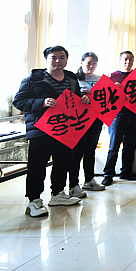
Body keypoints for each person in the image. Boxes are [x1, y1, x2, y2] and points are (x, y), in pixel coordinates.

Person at [14, 46, 87, 217]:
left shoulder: (71, 78)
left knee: (63, 162)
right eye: (53, 58)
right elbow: (19, 101)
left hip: (65, 129)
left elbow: (74, 99)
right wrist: (41, 102)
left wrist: (83, 99)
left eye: (62, 57)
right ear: (46, 60)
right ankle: (34, 201)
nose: (58, 61)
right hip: (41, 129)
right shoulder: (33, 79)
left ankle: (58, 194)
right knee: (37, 166)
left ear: (66, 60)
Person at [102, 51, 136, 187]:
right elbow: (104, 96)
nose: (128, 62)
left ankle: (126, 172)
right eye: (125, 59)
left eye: (131, 59)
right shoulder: (112, 76)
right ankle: (108, 175)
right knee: (114, 147)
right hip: (117, 116)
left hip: (134, 115)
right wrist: (114, 89)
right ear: (119, 61)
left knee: (130, 146)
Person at [69, 52, 104, 195]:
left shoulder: (101, 79)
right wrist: (80, 97)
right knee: (77, 152)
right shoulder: (73, 78)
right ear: (82, 63)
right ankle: (73, 184)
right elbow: (68, 98)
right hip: (79, 120)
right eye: (88, 63)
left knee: (90, 150)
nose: (91, 66)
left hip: (96, 119)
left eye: (94, 63)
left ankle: (89, 180)